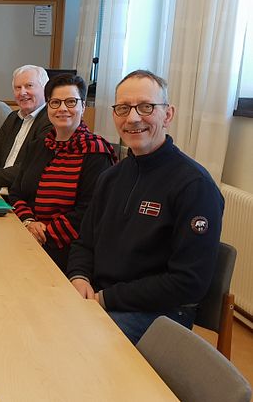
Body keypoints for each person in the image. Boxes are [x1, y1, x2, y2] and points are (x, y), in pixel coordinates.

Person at [66, 70, 224, 344]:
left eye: (146, 107)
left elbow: (188, 283)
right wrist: (79, 278)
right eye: (123, 108)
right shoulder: (111, 177)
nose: (133, 118)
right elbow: (84, 243)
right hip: (102, 299)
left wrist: (106, 298)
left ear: (168, 114)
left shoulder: (194, 186)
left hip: (159, 314)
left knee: (74, 342)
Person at [9, 74, 116, 272]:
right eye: (55, 102)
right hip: (28, 239)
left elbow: (89, 211)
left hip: (70, 255)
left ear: (83, 107)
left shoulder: (96, 151)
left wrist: (45, 235)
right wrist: (29, 222)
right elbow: (16, 192)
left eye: (71, 102)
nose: (62, 108)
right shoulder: (39, 145)